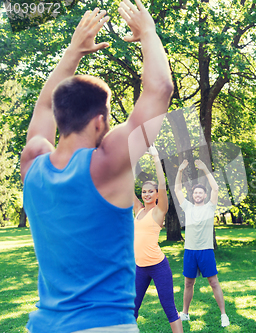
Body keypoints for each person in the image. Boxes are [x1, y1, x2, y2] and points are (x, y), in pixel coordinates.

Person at [20, 0, 173, 331]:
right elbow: (160, 90)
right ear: (100, 122)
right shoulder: (105, 165)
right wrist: (148, 31)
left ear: (60, 118)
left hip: (44, 325)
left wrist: (73, 51)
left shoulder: (32, 163)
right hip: (104, 325)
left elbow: (43, 108)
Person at [132, 146, 183, 333]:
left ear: (156, 195)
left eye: (150, 192)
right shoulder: (138, 209)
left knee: (169, 309)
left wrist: (155, 158)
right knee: (131, 310)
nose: (146, 194)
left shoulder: (159, 211)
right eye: (144, 191)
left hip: (158, 266)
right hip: (139, 267)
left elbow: (162, 184)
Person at [174, 159, 230, 327]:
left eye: (200, 193)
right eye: (195, 193)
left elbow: (216, 188)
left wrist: (205, 169)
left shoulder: (210, 208)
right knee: (188, 283)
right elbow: (177, 189)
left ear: (204, 196)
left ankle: (223, 315)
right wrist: (180, 171)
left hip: (206, 251)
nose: (197, 195)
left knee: (213, 282)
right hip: (190, 251)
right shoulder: (188, 207)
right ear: (193, 195)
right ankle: (185, 313)